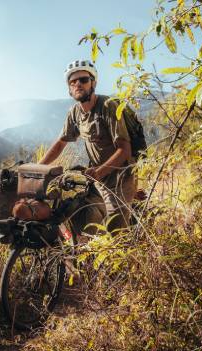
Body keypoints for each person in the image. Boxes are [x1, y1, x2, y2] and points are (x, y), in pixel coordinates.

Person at [40, 60, 136, 235]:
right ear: (69, 89)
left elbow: (124, 150)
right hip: (97, 178)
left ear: (94, 83)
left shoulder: (108, 106)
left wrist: (99, 172)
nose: (78, 84)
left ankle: (129, 258)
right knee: (80, 216)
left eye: (83, 80)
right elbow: (61, 143)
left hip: (120, 178)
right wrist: (39, 167)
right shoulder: (75, 113)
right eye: (73, 82)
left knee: (117, 232)